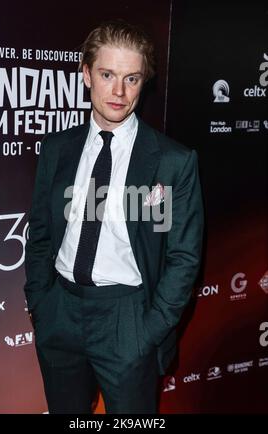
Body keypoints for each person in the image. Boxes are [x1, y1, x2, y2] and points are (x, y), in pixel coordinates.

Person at [24, 19, 204, 414]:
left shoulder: (171, 163)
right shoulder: (57, 148)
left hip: (127, 319)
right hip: (60, 310)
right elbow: (39, 232)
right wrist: (41, 301)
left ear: (144, 82)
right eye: (107, 75)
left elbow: (183, 258)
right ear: (86, 74)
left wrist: (149, 329)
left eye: (132, 79)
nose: (119, 92)